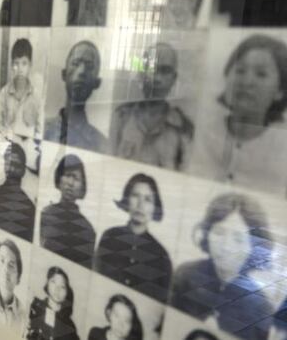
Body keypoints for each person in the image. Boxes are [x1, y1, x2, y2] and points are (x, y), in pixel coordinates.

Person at [189, 35, 287, 195]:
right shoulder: (200, 133)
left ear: (280, 91)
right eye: (240, 70)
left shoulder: (283, 149)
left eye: (261, 74)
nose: (247, 81)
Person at [170, 193, 274, 339]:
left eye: (238, 239)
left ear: (254, 247)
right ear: (207, 232)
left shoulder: (261, 308)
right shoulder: (185, 276)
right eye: (219, 232)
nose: (226, 246)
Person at [110, 43, 192, 170]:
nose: (157, 78)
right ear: (142, 74)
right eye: (152, 70)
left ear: (173, 79)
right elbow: (108, 164)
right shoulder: (122, 116)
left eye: (165, 71)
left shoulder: (183, 128)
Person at [94, 173, 172, 303]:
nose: (140, 205)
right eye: (135, 196)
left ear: (155, 207)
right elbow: (95, 281)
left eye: (148, 199)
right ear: (127, 199)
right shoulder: (110, 237)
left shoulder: (161, 256)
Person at [44, 40, 107, 153]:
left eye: (89, 66)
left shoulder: (101, 145)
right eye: (76, 63)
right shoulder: (42, 129)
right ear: (64, 74)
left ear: (97, 83)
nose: (82, 71)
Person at [40, 154, 96, 268]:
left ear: (82, 186)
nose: (70, 183)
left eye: (76, 178)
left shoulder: (87, 229)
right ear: (59, 179)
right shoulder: (46, 214)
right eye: (67, 175)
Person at [0, 38, 41, 144]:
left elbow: (39, 130)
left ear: (30, 65)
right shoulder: (4, 93)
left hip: (28, 150)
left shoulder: (36, 96)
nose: (20, 69)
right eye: (16, 63)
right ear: (11, 65)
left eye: (24, 63)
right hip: (8, 146)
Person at [0, 142, 36, 242]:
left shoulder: (29, 207)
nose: (11, 169)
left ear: (23, 170)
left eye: (15, 165)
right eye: (8, 164)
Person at [27, 267, 79, 340]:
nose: (57, 289)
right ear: (47, 283)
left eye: (62, 286)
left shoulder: (69, 325)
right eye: (53, 282)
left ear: (67, 293)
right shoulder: (34, 308)